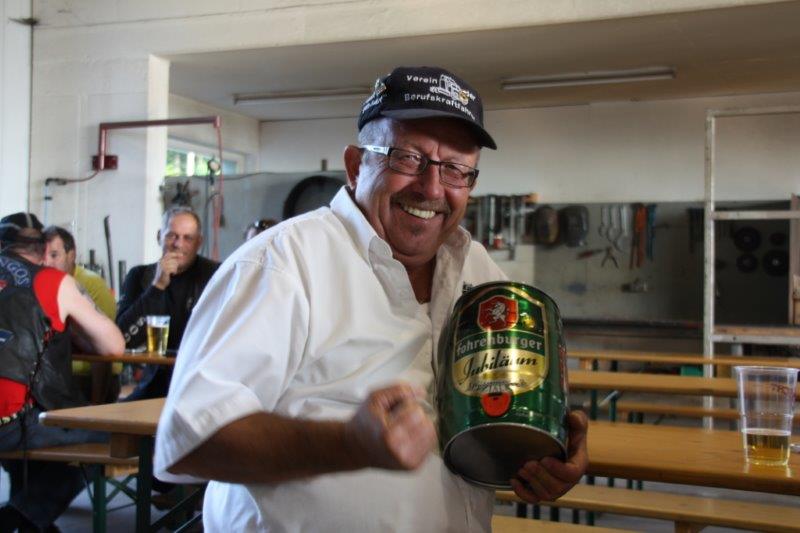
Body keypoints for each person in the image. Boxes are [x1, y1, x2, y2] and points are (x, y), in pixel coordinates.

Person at [154, 66, 588, 531]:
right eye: (408, 158)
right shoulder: (279, 263)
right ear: (357, 164)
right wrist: (346, 444)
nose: (432, 188)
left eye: (455, 169)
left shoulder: (476, 267)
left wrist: (543, 450)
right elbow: (189, 440)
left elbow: (502, 399)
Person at [0, 212, 125, 532]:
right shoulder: (52, 281)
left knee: (35, 430)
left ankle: (32, 521)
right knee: (114, 436)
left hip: (14, 420)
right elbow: (114, 347)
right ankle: (18, 516)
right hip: (11, 424)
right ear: (44, 250)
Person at [116, 206, 219, 400]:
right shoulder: (140, 275)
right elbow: (123, 339)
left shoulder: (215, 275)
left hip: (200, 384)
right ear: (159, 237)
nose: (178, 244)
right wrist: (157, 286)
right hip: (153, 384)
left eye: (188, 238)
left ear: (199, 243)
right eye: (172, 236)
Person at [44, 225, 121, 404]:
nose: (47, 263)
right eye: (43, 255)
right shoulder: (44, 283)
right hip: (57, 374)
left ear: (71, 256)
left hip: (87, 377)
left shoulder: (92, 284)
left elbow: (102, 348)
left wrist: (96, 406)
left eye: (54, 255)